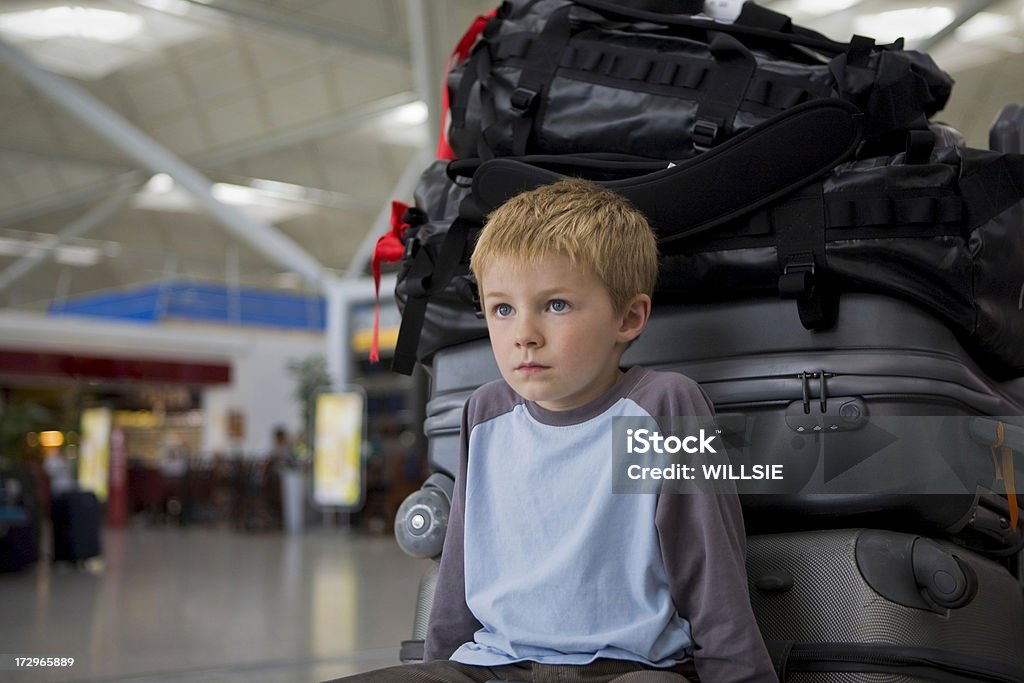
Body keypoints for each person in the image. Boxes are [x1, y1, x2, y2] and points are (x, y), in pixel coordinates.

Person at [329, 179, 776, 682]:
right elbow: (457, 572)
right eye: (503, 308)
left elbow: (710, 576)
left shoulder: (662, 407)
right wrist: (437, 669)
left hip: (623, 669)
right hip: (495, 666)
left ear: (628, 317)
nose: (524, 335)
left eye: (556, 305)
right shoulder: (486, 413)